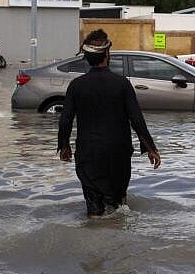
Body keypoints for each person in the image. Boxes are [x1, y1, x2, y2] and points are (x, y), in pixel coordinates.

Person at [57, 29, 161, 217]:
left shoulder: (76, 86)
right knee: (119, 204)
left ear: (87, 58)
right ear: (107, 54)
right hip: (118, 153)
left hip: (88, 153)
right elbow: (136, 119)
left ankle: (95, 239)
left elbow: (65, 121)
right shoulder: (122, 84)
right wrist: (150, 148)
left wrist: (64, 146)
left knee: (94, 209)